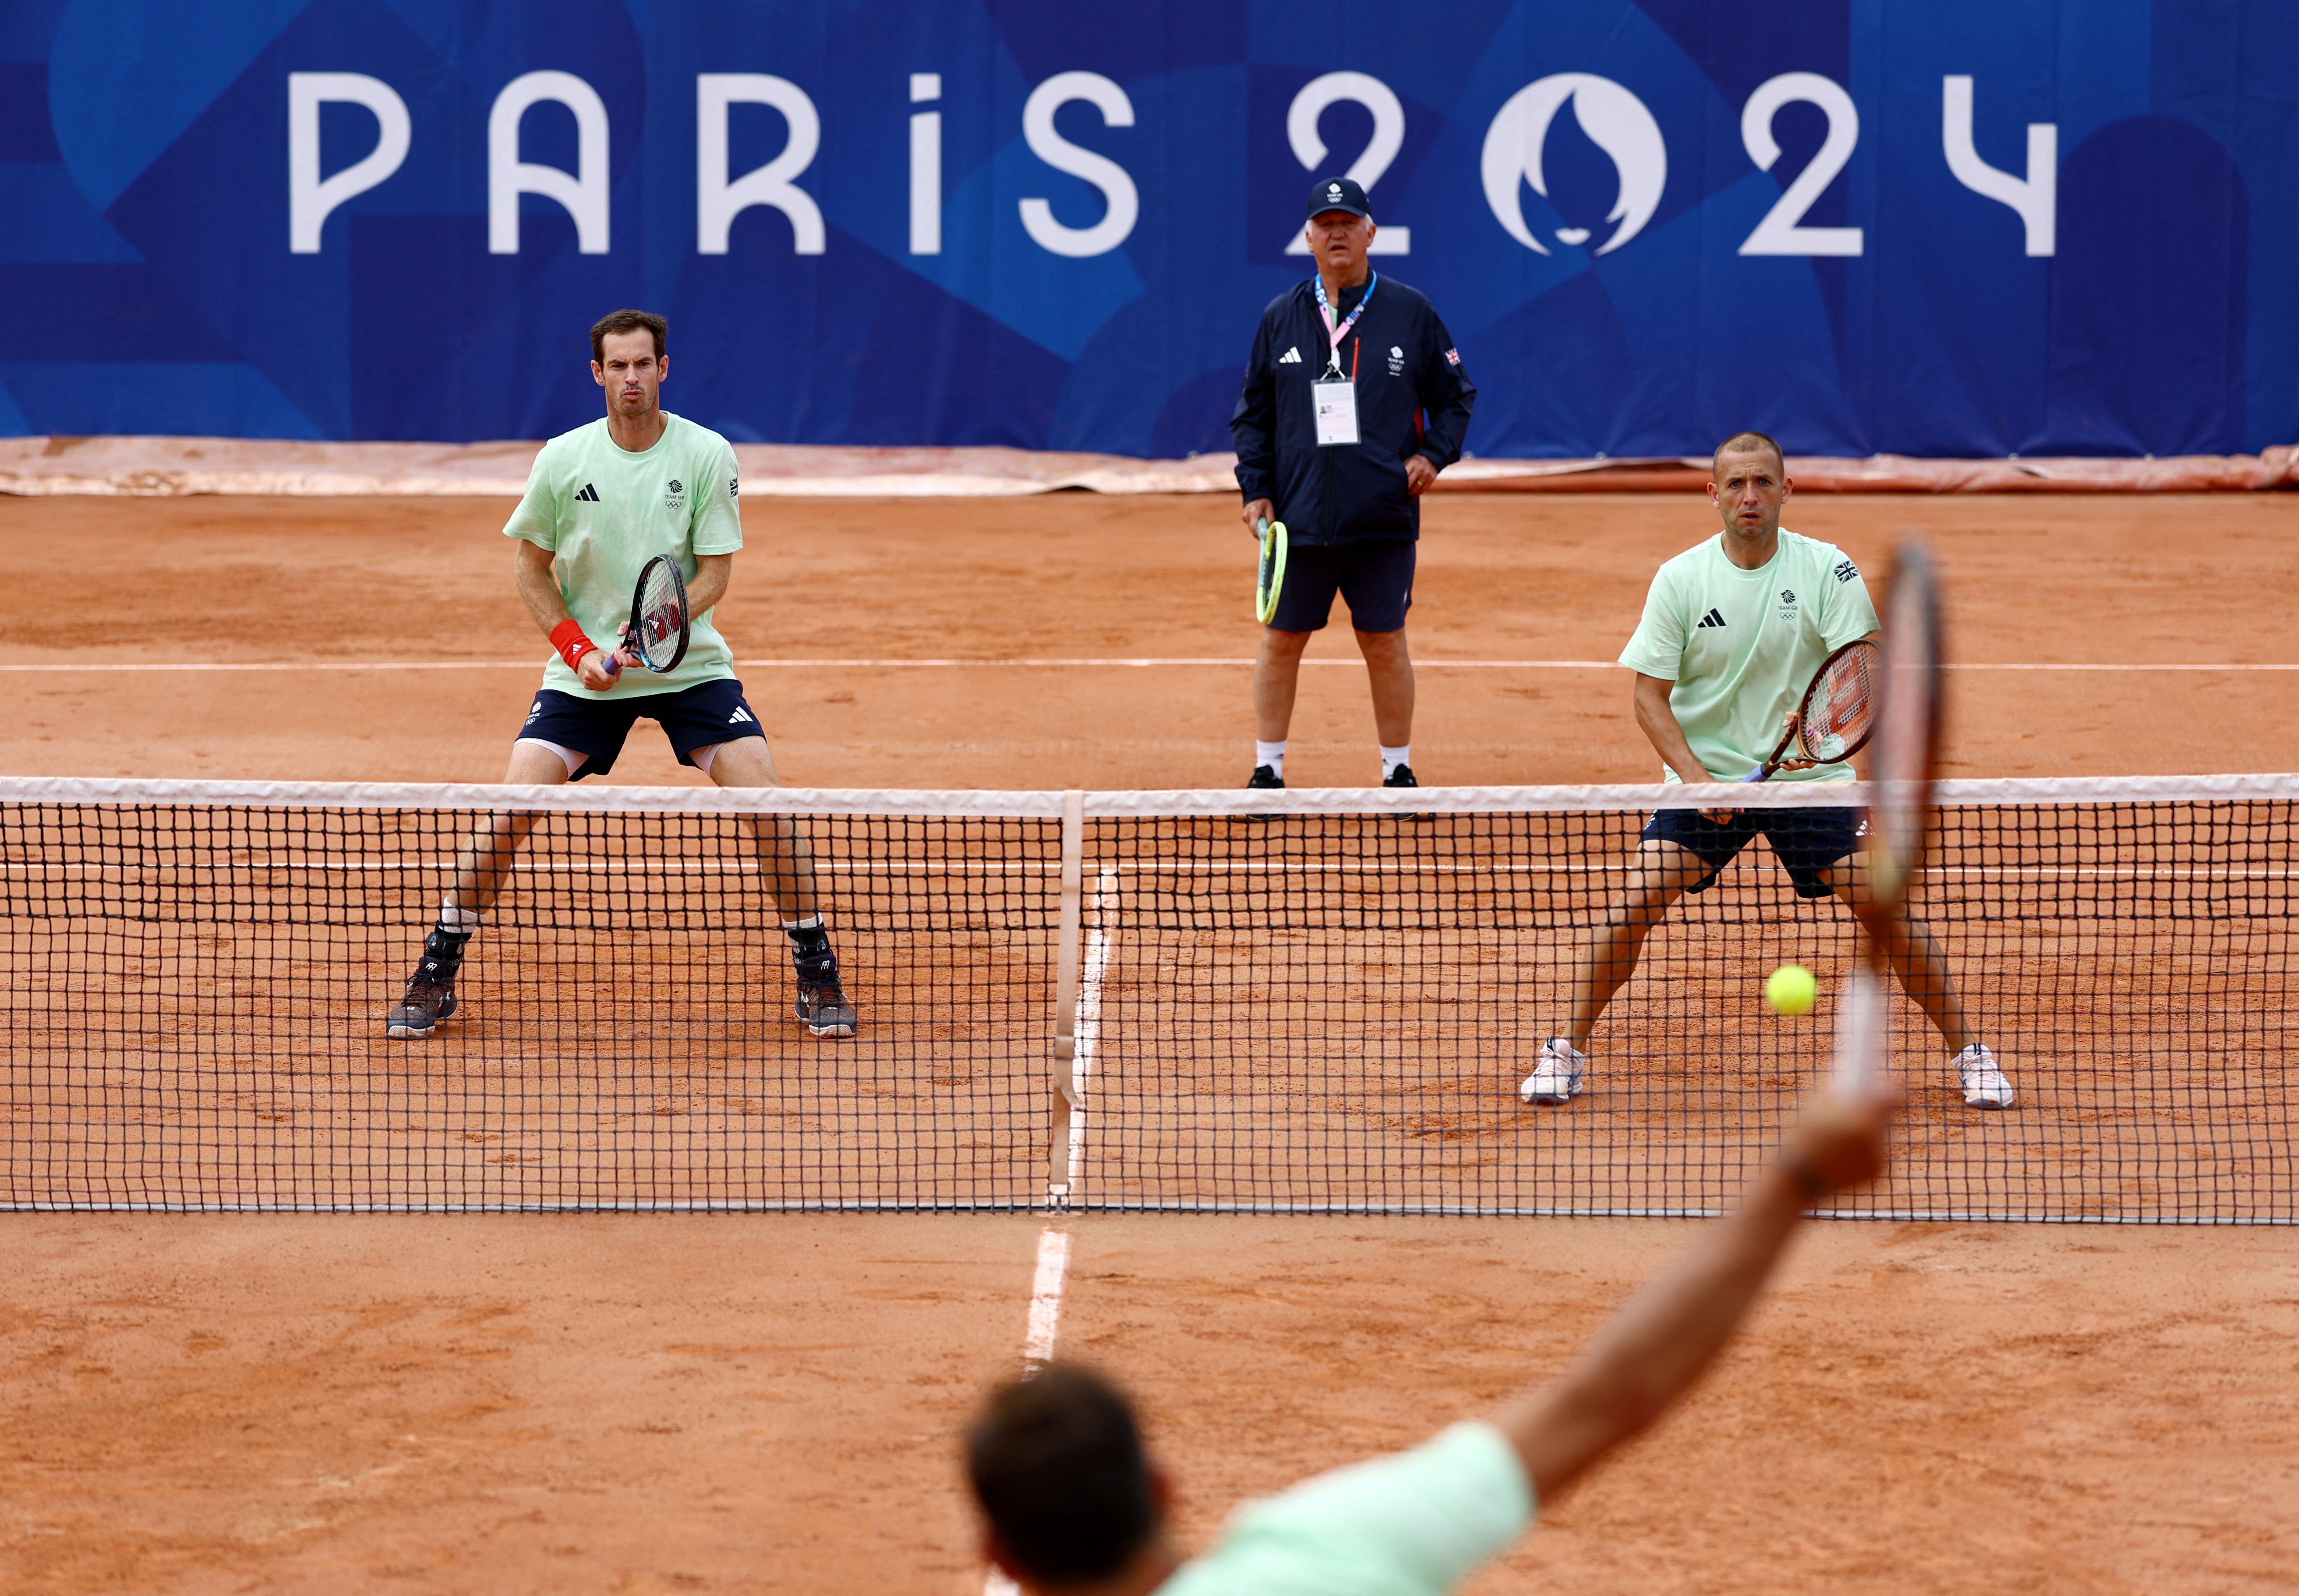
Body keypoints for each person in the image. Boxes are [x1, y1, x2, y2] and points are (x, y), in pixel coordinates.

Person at [964, 1071, 1902, 1595]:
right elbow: (1611, 1396)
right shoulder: (1319, 1554)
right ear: (1163, 1485)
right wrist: (1796, 1179)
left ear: (998, 1560)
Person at [384, 309, 857, 1041]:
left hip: (687, 667)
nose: (632, 378)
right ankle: (437, 967)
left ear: (663, 369)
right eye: (618, 366)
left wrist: (653, 636)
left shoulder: (706, 454)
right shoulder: (563, 459)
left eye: (644, 365)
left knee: (769, 806)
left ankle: (815, 964)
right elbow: (529, 568)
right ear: (597, 373)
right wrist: (578, 650)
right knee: (509, 812)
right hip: (583, 674)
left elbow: (713, 575)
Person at [1516, 431, 2009, 1109]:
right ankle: (1563, 1052)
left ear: (1785, 489)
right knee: (1635, 903)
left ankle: (1970, 1054)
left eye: (1763, 483)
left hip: (1807, 781)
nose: (1749, 496)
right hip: (1709, 777)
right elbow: (1646, 697)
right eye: (1736, 484)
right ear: (1712, 493)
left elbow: (1863, 671)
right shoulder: (1680, 579)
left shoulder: (1826, 569)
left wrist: (1822, 727)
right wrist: (1694, 778)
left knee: (1884, 908)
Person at [1230, 175, 1476, 792]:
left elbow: (1455, 397)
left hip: (1381, 517)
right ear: (1308, 238)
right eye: (1325, 224)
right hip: (1299, 518)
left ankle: (1397, 771)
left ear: (1370, 232)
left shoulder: (1409, 311)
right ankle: (1268, 768)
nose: (1337, 232)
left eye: (1349, 222)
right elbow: (1252, 414)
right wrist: (1254, 489)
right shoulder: (1279, 317)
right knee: (1280, 641)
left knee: (1384, 642)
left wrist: (1433, 455)